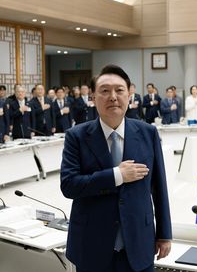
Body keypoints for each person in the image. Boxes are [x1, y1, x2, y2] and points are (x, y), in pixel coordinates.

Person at [61, 65, 172, 272]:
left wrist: (164, 234)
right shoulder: (76, 136)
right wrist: (116, 175)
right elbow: (69, 186)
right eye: (104, 91)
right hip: (92, 244)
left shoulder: (148, 133)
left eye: (119, 90)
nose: (113, 96)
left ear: (130, 95)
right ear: (92, 97)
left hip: (139, 241)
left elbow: (159, 187)